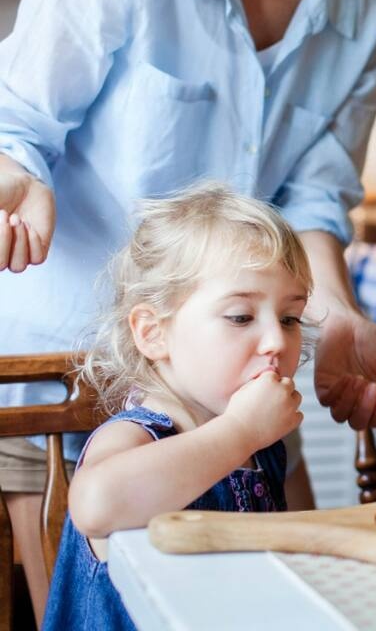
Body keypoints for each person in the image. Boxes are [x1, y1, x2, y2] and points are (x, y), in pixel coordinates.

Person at [0, 0, 376, 621]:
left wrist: (335, 312)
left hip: (228, 385)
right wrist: (14, 174)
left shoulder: (367, 8)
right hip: (58, 378)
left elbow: (314, 198)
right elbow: (19, 122)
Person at [41, 183, 309, 629]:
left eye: (290, 318)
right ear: (153, 333)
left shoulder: (259, 446)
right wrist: (242, 430)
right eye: (241, 316)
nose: (278, 340)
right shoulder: (135, 436)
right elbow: (96, 503)